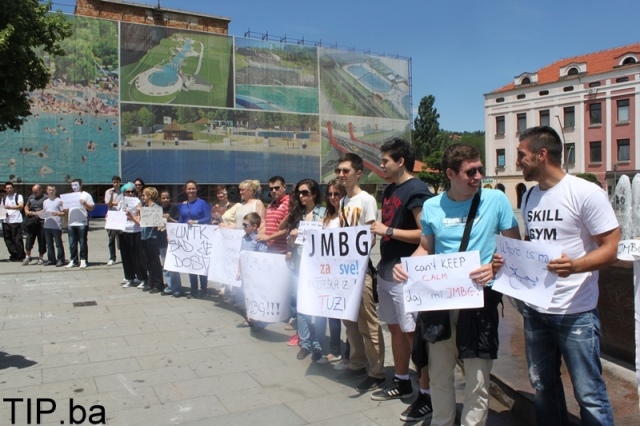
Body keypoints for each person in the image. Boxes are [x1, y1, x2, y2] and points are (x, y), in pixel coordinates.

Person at [393, 143, 520, 426]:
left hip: (479, 300)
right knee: (439, 373)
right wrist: (407, 266)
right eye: (470, 172)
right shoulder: (431, 206)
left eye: (480, 170)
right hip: (440, 302)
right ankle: (442, 421)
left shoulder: (495, 200)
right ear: (450, 173)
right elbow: (426, 248)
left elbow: (514, 247)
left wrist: (493, 266)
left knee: (477, 377)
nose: (478, 177)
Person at [512, 126, 620, 425]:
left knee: (589, 395)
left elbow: (611, 248)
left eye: (521, 155)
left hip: (576, 313)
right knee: (543, 387)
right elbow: (532, 245)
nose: (517, 161)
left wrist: (575, 265)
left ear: (541, 154)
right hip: (536, 311)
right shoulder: (530, 196)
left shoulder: (585, 193)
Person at [369, 139, 434, 422]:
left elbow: (425, 234)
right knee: (394, 328)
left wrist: (388, 230)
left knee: (413, 334)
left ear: (401, 161)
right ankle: (402, 379)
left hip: (407, 273)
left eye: (385, 160)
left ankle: (427, 395)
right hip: (387, 269)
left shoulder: (418, 190)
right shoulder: (390, 190)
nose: (381, 165)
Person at [334, 153, 386, 393]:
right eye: (339, 171)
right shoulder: (343, 202)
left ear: (358, 173)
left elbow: (370, 236)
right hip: (343, 271)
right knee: (349, 321)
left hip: (361, 269)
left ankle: (376, 372)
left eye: (346, 171)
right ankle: (356, 362)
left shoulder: (366, 200)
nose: (341, 175)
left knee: (368, 322)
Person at [284, 179, 326, 361]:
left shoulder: (323, 214)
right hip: (300, 265)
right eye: (299, 193)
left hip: (317, 267)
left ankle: (318, 344)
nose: (301, 196)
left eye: (305, 193)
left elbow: (326, 239)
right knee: (302, 305)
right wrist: (292, 239)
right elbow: (291, 243)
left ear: (314, 194)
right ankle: (305, 342)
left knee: (318, 306)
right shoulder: (298, 215)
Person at [317, 179, 346, 366]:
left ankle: (337, 350)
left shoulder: (344, 216)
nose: (333, 197)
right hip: (325, 268)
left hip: (340, 269)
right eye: (330, 194)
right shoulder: (327, 216)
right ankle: (330, 347)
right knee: (327, 308)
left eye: (337, 194)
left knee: (336, 311)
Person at [236, 212, 268, 331]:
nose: (243, 227)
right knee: (246, 294)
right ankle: (250, 316)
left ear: (254, 226)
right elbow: (241, 254)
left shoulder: (258, 239)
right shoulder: (244, 238)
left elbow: (263, 255)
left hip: (255, 273)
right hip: (245, 272)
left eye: (246, 225)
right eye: (243, 225)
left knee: (255, 295)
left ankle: (257, 318)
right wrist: (239, 270)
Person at [178, 180, 211, 299]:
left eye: (193, 189)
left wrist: (196, 222)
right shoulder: (183, 204)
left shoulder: (202, 203)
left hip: (200, 237)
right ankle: (193, 290)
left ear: (197, 190)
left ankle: (204, 289)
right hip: (188, 238)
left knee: (201, 263)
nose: (191, 191)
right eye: (189, 189)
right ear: (185, 190)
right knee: (191, 263)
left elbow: (208, 218)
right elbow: (181, 221)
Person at [129, 187, 164, 294]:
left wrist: (142, 214)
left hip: (152, 237)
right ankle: (151, 282)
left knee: (154, 262)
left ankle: (158, 284)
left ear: (149, 195)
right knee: (147, 262)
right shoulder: (145, 207)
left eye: (144, 195)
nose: (142, 197)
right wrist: (132, 217)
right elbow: (142, 224)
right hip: (144, 236)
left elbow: (155, 223)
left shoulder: (155, 207)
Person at [118, 183, 147, 288]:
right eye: (127, 191)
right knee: (126, 257)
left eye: (132, 191)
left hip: (135, 231)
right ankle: (130, 278)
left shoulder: (137, 202)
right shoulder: (121, 202)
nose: (130, 193)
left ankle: (143, 278)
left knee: (138, 257)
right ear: (124, 192)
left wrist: (137, 211)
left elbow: (140, 217)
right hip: (124, 231)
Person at [64, 178, 94, 269]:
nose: (74, 187)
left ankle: (83, 260)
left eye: (76, 185)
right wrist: (63, 205)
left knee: (82, 242)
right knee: (72, 243)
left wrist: (84, 203)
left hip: (82, 223)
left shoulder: (86, 195)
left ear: (81, 185)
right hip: (71, 223)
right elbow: (65, 210)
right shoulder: (70, 196)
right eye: (72, 185)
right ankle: (73, 260)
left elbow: (91, 208)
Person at [257, 176, 290, 253]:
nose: (274, 191)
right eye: (271, 189)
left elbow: (288, 229)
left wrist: (269, 237)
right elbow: (268, 226)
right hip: (269, 249)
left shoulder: (290, 203)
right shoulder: (270, 205)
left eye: (277, 188)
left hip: (283, 251)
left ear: (284, 187)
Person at [159, 190, 182, 297]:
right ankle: (169, 286)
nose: (165, 200)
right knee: (165, 265)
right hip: (161, 240)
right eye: (163, 198)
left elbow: (179, 223)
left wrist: (169, 218)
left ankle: (176, 288)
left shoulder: (174, 208)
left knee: (173, 265)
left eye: (167, 197)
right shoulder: (156, 209)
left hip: (172, 240)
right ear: (160, 199)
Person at [23, 184, 47, 265]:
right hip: (31, 222)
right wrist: (26, 210)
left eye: (36, 192)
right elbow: (26, 206)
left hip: (41, 222)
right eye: (33, 192)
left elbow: (45, 210)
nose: (34, 193)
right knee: (29, 239)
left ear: (40, 190)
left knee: (42, 240)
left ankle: (41, 257)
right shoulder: (31, 197)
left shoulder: (45, 198)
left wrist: (33, 213)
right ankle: (28, 256)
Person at [1, 181, 25, 262]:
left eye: (11, 188)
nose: (9, 189)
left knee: (17, 239)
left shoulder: (18, 196)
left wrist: (10, 207)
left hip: (16, 221)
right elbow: (2, 209)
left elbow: (21, 206)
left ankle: (21, 255)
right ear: (5, 189)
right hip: (6, 221)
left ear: (13, 188)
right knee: (8, 239)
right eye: (7, 188)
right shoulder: (4, 199)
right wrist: (4, 214)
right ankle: (13, 254)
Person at [42, 185, 65, 267]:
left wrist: (57, 213)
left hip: (56, 225)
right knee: (49, 244)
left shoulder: (59, 201)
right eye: (49, 190)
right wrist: (39, 214)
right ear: (47, 191)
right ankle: (51, 259)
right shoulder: (45, 201)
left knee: (58, 244)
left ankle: (60, 259)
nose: (51, 192)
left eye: (52, 190)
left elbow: (63, 213)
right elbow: (44, 211)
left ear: (55, 191)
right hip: (47, 225)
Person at [104, 176, 123, 265]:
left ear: (120, 183)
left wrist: (117, 203)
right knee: (111, 238)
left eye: (117, 182)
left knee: (122, 238)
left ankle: (123, 256)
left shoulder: (123, 192)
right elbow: (109, 205)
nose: (115, 184)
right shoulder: (108, 191)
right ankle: (112, 257)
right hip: (111, 216)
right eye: (114, 182)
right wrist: (112, 195)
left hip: (121, 216)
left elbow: (124, 204)